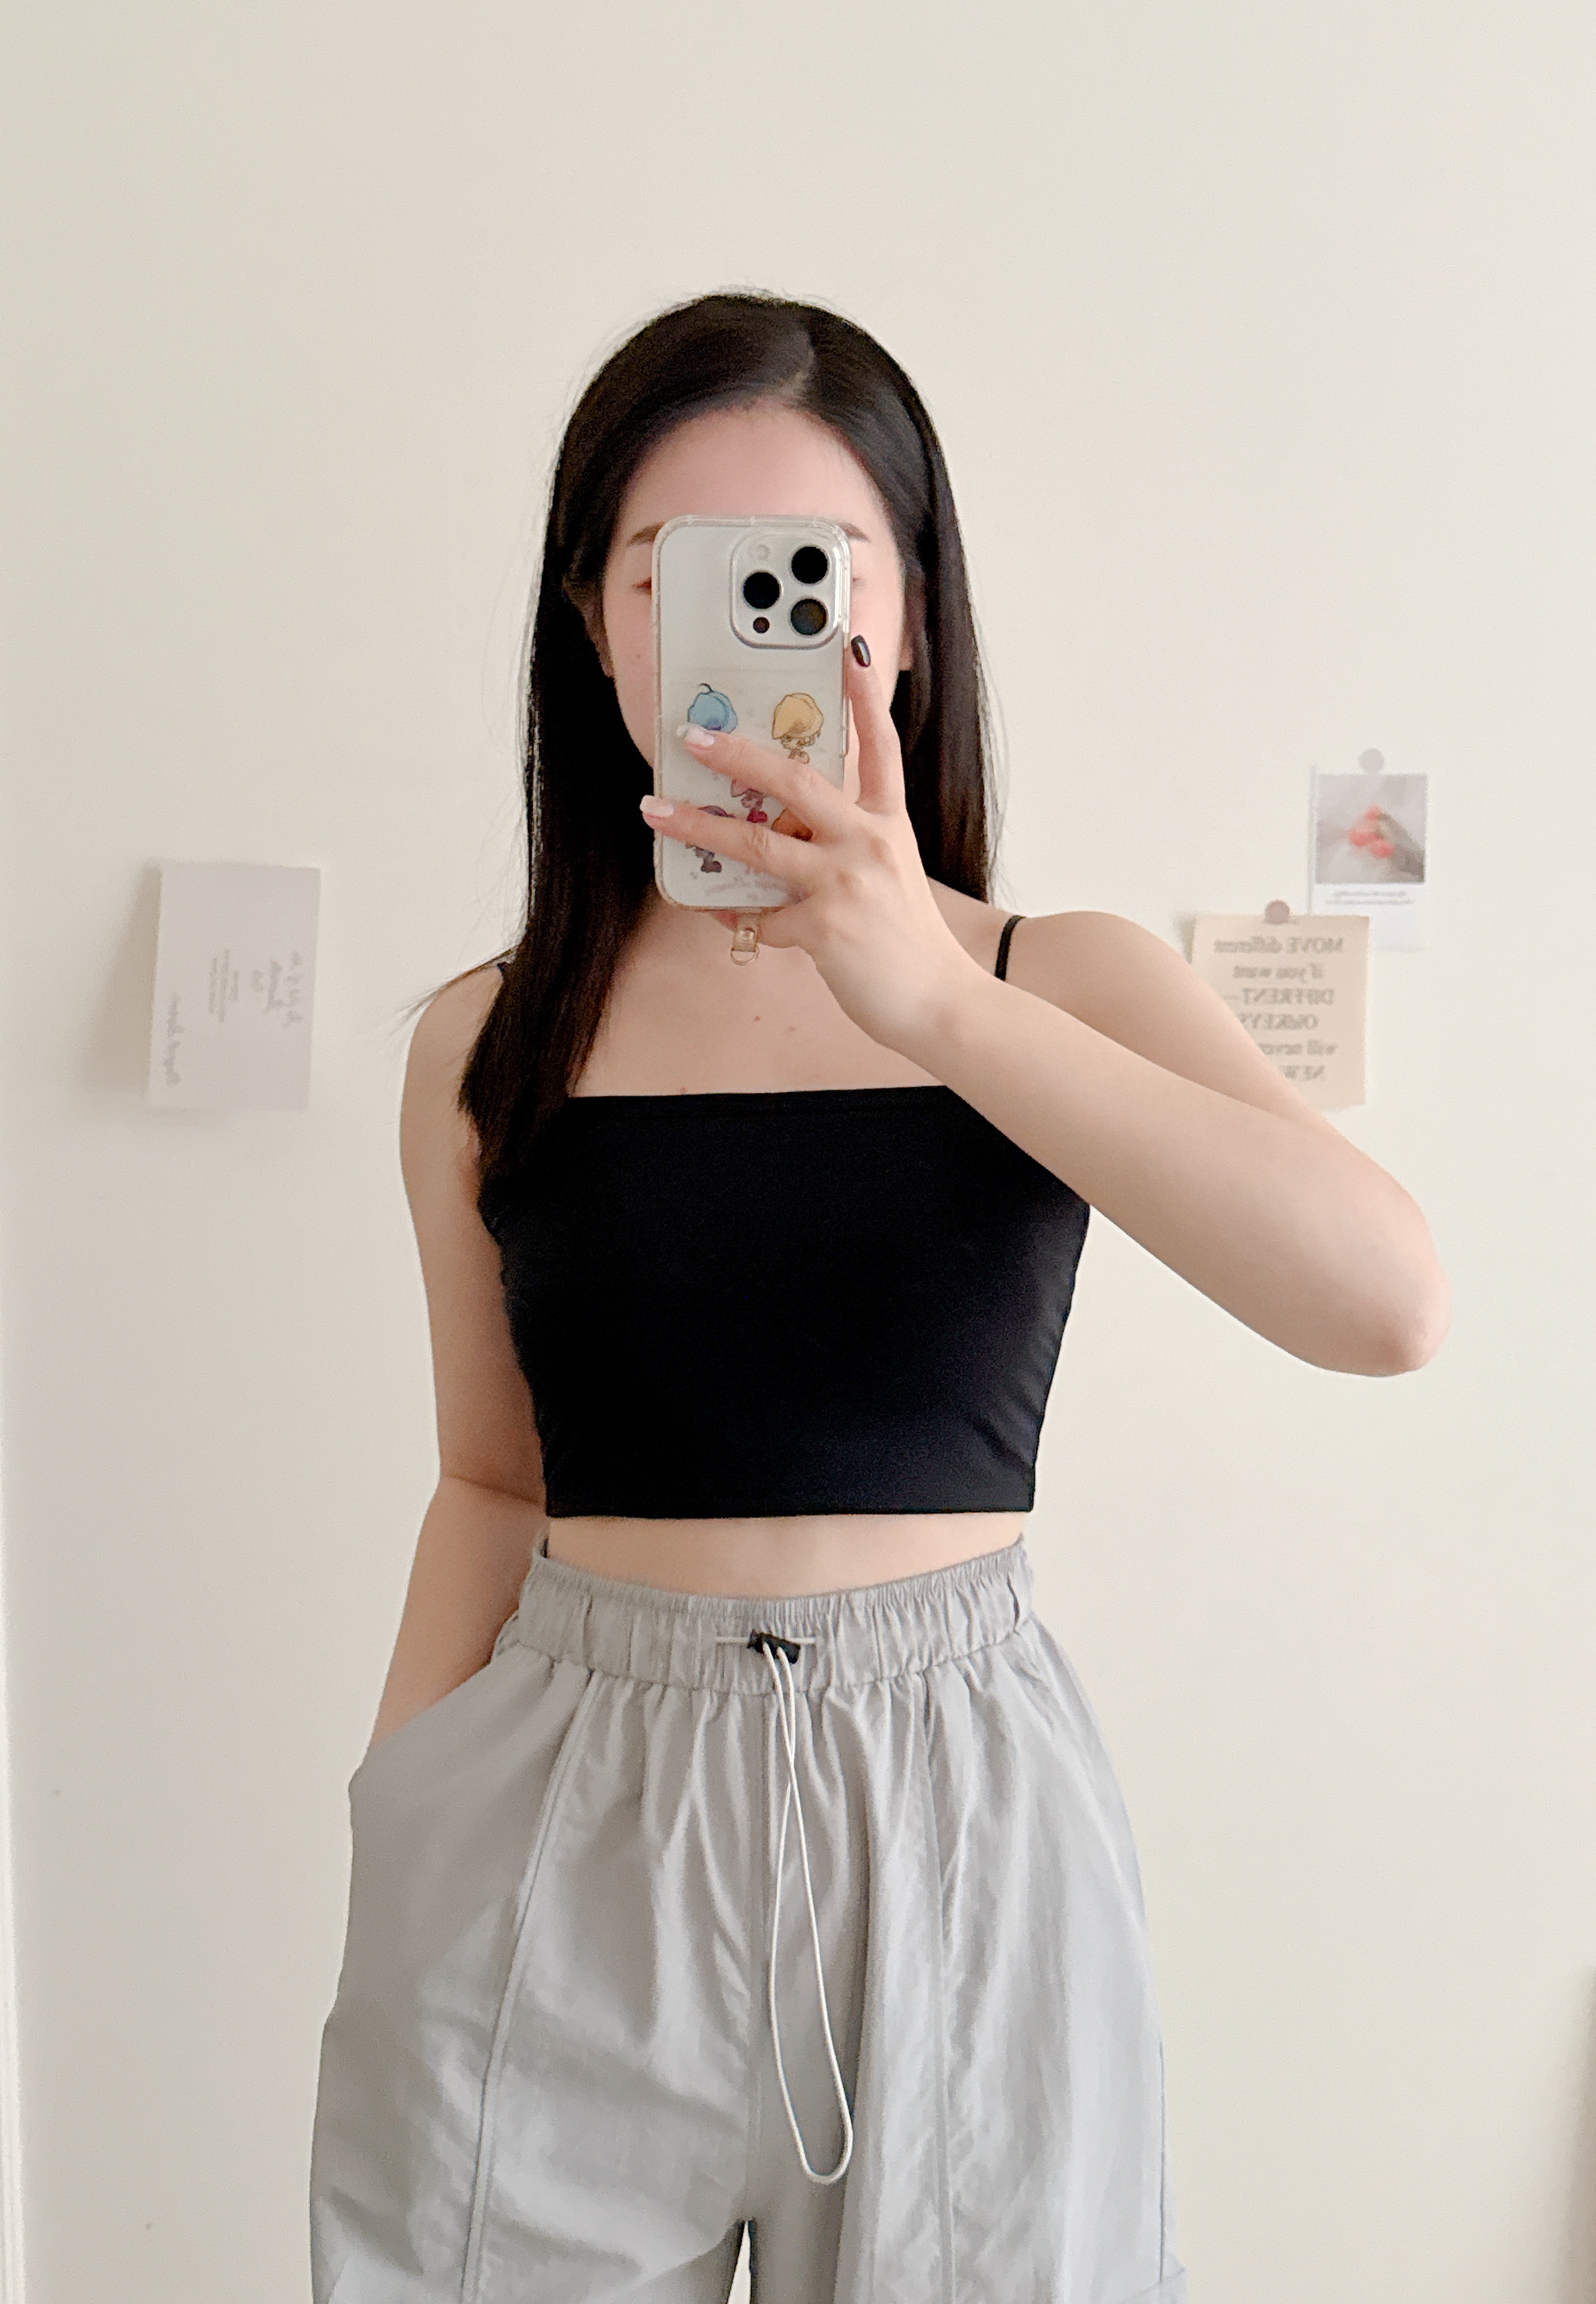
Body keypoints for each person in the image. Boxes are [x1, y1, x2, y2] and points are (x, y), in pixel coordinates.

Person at [308, 291, 1449, 2304]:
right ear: (593, 620)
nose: (751, 629)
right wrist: (400, 1820)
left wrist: (928, 996)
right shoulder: (490, 1041)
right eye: (671, 572)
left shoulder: (1049, 982)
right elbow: (489, 1479)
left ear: (906, 619)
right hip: (568, 1808)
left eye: (815, 571)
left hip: (961, 1825)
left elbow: (1384, 1299)